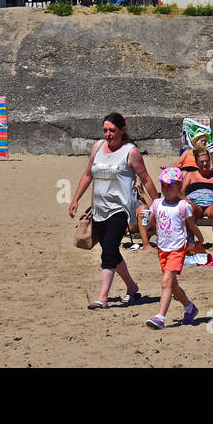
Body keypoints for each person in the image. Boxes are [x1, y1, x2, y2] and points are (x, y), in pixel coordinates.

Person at [68, 113, 159, 309]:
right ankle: (132, 288)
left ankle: (102, 298)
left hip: (120, 209)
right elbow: (87, 174)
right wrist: (75, 199)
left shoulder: (131, 152)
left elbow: (146, 179)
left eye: (112, 130)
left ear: (122, 130)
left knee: (108, 251)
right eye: (105, 130)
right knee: (110, 251)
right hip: (99, 208)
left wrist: (157, 204)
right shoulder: (98, 147)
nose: (108, 135)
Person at [143, 168, 201, 329]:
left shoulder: (183, 206)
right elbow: (153, 222)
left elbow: (192, 226)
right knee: (172, 285)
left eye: (170, 186)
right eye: (163, 185)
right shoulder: (157, 204)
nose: (166, 189)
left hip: (178, 247)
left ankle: (160, 317)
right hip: (163, 248)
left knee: (166, 281)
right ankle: (190, 308)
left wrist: (200, 240)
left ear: (179, 186)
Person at [181, 150, 213, 252]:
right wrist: (185, 200)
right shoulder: (190, 175)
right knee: (189, 208)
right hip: (194, 204)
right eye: (201, 162)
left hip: (212, 205)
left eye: (207, 161)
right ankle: (191, 243)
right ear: (196, 162)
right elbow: (180, 193)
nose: (205, 164)